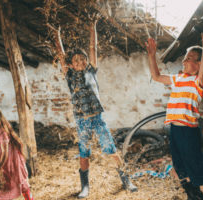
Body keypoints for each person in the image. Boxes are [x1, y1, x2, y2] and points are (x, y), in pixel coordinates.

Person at [48, 13, 137, 199]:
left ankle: (126, 180)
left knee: (111, 150)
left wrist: (92, 27)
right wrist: (57, 36)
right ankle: (85, 187)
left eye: (83, 58)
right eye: (76, 60)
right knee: (84, 153)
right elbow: (61, 54)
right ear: (71, 64)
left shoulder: (92, 70)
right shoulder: (70, 75)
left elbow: (93, 48)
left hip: (97, 118)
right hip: (82, 121)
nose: (80, 62)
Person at [145, 30, 203, 200]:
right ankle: (193, 197)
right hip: (175, 131)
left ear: (199, 65)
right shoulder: (179, 78)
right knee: (180, 169)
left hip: (188, 132)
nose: (184, 60)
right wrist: (152, 55)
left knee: (197, 169)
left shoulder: (197, 82)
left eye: (188, 58)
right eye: (185, 57)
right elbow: (156, 76)